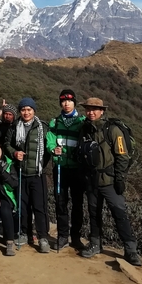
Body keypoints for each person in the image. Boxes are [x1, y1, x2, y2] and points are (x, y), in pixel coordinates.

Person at [78, 97, 142, 266]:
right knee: (93, 214)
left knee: (119, 214)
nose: (91, 112)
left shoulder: (112, 130)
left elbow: (122, 155)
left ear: (102, 111)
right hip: (92, 181)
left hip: (110, 181)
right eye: (88, 109)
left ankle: (130, 250)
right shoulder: (85, 129)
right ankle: (95, 244)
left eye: (94, 109)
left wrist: (120, 178)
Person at [5, 97, 51, 253]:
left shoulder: (42, 127)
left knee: (40, 207)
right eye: (23, 109)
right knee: (23, 206)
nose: (26, 112)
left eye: (29, 109)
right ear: (20, 111)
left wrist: (42, 165)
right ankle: (25, 233)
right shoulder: (14, 127)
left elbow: (48, 147)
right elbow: (7, 144)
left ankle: (43, 237)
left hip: (37, 174)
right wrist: (14, 153)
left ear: (34, 111)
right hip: (21, 173)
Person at [46, 89, 85, 251]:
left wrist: (70, 153)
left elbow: (84, 144)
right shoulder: (55, 122)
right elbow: (50, 141)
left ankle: (75, 237)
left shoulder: (82, 122)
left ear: (74, 102)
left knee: (77, 204)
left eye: (69, 100)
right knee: (61, 202)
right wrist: (53, 148)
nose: (66, 103)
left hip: (77, 169)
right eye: (63, 101)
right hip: (60, 167)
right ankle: (62, 236)